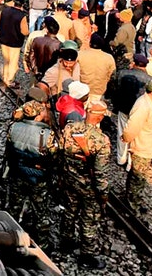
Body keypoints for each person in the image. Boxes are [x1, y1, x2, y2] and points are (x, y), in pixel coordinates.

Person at [59, 99, 111, 269]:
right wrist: (103, 194)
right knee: (89, 220)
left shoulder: (69, 128)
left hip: (69, 179)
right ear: (101, 117)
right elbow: (100, 173)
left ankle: (66, 242)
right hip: (88, 188)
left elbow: (60, 151)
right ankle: (86, 257)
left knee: (70, 210)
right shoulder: (101, 140)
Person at [5, 99, 58, 247]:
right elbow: (53, 157)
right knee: (41, 212)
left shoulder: (13, 127)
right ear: (37, 116)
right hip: (38, 177)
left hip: (17, 173)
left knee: (14, 206)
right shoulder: (48, 134)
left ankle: (10, 237)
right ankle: (42, 244)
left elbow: (8, 150)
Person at [123, 78, 152, 212]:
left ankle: (134, 199)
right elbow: (133, 126)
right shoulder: (143, 106)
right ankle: (132, 204)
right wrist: (127, 139)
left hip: (148, 146)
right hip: (141, 147)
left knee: (139, 177)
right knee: (138, 177)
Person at [112, 54, 152, 166]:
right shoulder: (150, 80)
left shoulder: (122, 74)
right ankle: (130, 163)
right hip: (139, 112)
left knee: (122, 132)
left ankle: (121, 158)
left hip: (123, 107)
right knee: (135, 136)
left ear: (134, 63)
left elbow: (115, 88)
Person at [0, 0, 29, 88]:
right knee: (13, 62)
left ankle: (5, 78)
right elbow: (24, 31)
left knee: (6, 60)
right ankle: (10, 80)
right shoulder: (22, 16)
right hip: (15, 42)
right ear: (21, 5)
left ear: (14, 3)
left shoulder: (4, 11)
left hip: (3, 39)